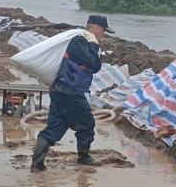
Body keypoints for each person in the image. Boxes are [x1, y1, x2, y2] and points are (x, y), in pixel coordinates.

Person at [30, 15, 114, 172]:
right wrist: (94, 45)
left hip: (59, 89)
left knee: (55, 127)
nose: (103, 34)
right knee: (87, 124)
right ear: (95, 28)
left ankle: (37, 163)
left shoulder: (75, 39)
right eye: (103, 31)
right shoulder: (80, 41)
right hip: (70, 91)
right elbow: (93, 64)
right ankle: (84, 157)